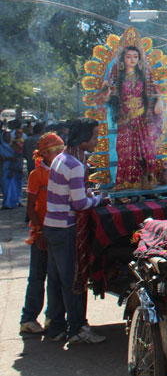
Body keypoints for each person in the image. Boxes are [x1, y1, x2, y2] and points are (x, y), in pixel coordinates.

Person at [43, 117, 107, 344]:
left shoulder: (61, 158)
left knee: (56, 280)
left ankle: (56, 327)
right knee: (73, 280)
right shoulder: (75, 165)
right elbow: (79, 204)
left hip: (51, 226)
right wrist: (100, 199)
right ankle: (78, 328)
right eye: (95, 137)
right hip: (65, 228)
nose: (97, 141)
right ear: (83, 141)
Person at [97, 33, 161, 190]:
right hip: (125, 120)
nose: (132, 59)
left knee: (145, 151)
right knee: (124, 151)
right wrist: (105, 89)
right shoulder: (117, 79)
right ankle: (126, 182)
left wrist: (159, 101)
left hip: (142, 120)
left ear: (139, 59)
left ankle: (145, 181)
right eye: (129, 57)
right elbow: (105, 98)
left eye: (135, 56)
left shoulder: (145, 77)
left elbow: (156, 91)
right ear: (123, 60)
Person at [19, 133, 65, 335]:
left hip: (58, 229)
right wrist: (38, 232)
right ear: (44, 153)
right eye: (53, 150)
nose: (57, 153)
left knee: (56, 277)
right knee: (38, 277)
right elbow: (30, 206)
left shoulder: (63, 170)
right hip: (42, 230)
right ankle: (28, 318)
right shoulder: (36, 175)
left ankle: (52, 318)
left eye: (60, 148)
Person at [0, 130, 23, 209]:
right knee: (6, 186)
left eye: (9, 136)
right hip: (5, 168)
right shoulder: (1, 147)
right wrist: (8, 158)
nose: (8, 138)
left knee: (16, 185)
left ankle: (16, 201)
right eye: (6, 136)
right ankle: (6, 203)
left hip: (15, 168)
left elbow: (19, 156)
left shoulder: (14, 145)